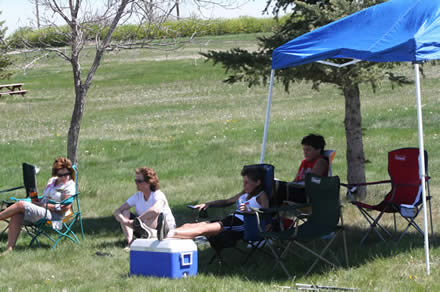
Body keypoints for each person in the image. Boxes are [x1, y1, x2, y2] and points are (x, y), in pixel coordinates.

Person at [156, 166, 269, 241]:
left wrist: (250, 210)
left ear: (258, 182)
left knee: (203, 229)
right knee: (189, 225)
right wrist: (208, 204)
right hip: (231, 220)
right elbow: (227, 202)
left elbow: (266, 215)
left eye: (247, 182)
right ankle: (161, 235)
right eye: (243, 182)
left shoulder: (262, 196)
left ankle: (167, 234)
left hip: (243, 225)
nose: (244, 185)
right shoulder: (245, 192)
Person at [0, 157, 76, 255]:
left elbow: (63, 208)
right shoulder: (52, 181)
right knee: (17, 214)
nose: (64, 177)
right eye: (60, 175)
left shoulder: (69, 186)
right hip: (42, 209)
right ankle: (10, 249)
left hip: (54, 215)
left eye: (66, 174)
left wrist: (42, 205)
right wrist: (36, 200)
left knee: (20, 205)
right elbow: (45, 197)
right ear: (56, 173)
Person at [113, 167, 175, 249]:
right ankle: (130, 243)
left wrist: (137, 221)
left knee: (154, 214)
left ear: (149, 182)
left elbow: (155, 210)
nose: (136, 183)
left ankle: (147, 240)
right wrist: (124, 220)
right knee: (125, 212)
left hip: (163, 230)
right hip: (144, 227)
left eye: (139, 181)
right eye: (136, 181)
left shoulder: (158, 195)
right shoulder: (138, 196)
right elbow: (117, 211)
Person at [287, 133, 329, 203]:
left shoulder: (320, 162)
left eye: (308, 150)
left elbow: (311, 182)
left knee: (274, 188)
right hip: (297, 190)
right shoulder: (305, 162)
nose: (305, 153)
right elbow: (296, 180)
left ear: (318, 150)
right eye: (304, 150)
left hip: (307, 195)